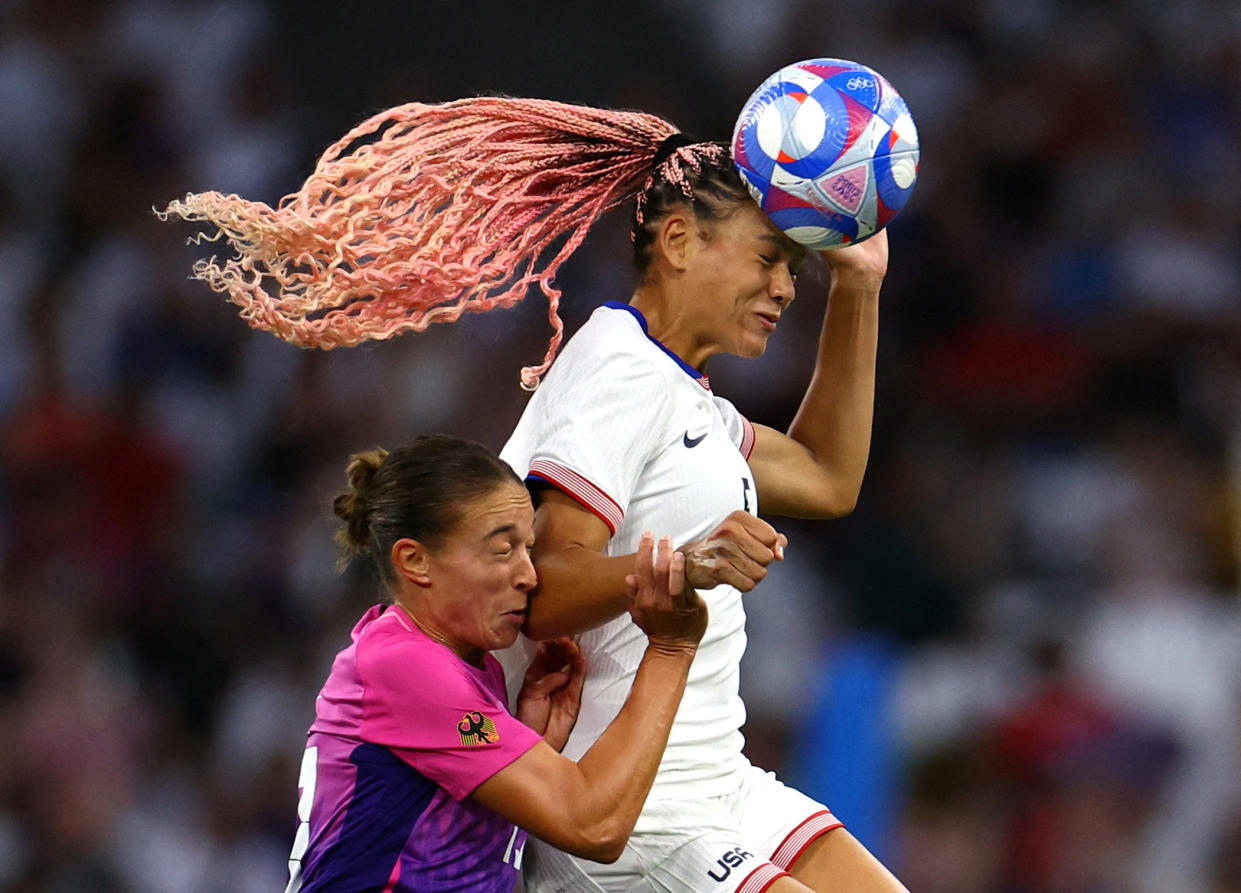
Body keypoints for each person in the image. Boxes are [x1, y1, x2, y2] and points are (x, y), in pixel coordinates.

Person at [162, 96, 907, 891]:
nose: (785, 288)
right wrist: (682, 568)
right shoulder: (616, 372)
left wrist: (857, 286)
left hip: (718, 779)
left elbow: (828, 479)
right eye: (766, 258)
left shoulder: (686, 397)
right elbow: (542, 586)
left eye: (794, 270)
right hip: (633, 806)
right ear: (681, 241)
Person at [286, 433, 706, 893]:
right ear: (415, 561)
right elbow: (594, 827)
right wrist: (671, 651)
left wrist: (524, 741)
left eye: (528, 548)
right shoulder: (404, 666)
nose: (529, 575)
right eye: (503, 550)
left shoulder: (466, 664)